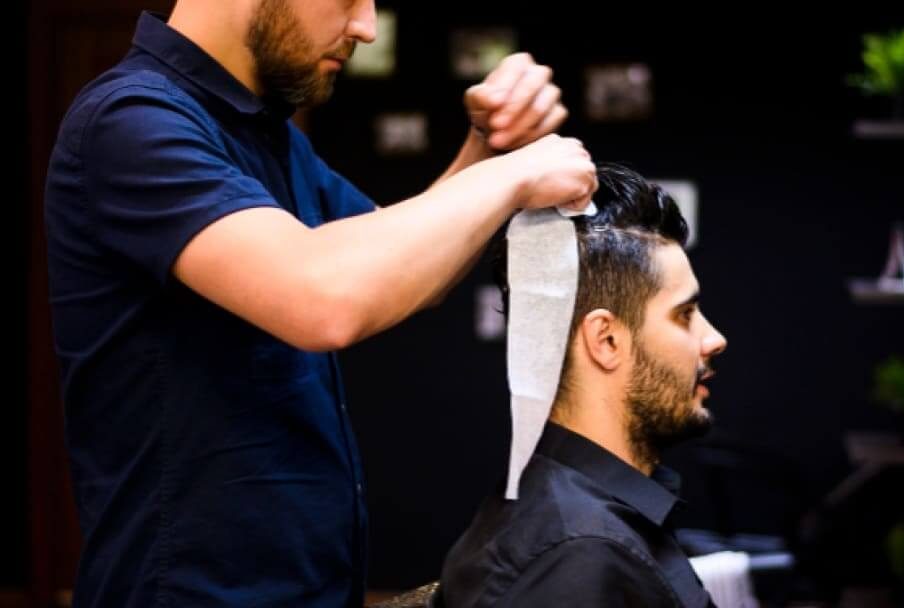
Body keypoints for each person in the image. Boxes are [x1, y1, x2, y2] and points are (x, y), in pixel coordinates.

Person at [43, 0, 597, 605]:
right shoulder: (130, 119)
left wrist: (487, 150)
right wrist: (509, 178)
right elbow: (324, 299)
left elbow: (398, 266)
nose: (365, 26)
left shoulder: (270, 138)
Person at [434, 164, 728, 607]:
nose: (714, 339)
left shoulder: (591, 524)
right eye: (685, 315)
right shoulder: (578, 558)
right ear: (606, 340)